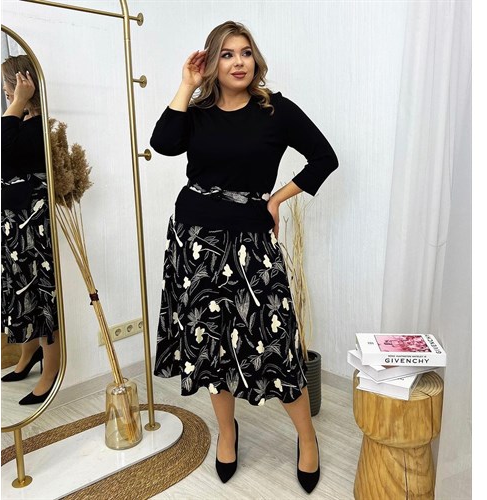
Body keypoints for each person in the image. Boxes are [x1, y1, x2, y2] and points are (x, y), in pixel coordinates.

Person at [150, 21, 338, 494]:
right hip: (195, 240)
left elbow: (324, 158)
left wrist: (276, 199)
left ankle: (307, 437)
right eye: (227, 54)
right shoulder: (196, 111)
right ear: (212, 61)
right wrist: (187, 84)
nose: (239, 62)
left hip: (251, 240)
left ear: (256, 59)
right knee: (211, 345)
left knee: (276, 342)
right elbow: (163, 143)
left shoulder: (276, 110)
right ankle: (227, 433)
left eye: (246, 52)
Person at [1, 55, 60, 406]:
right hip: (13, 221)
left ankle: (51, 368)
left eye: (7, 85)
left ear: (22, 83)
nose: (6, 92)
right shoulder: (21, 122)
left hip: (33, 222)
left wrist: (18, 102)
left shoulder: (40, 125)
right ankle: (28, 353)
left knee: (41, 294)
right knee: (19, 289)